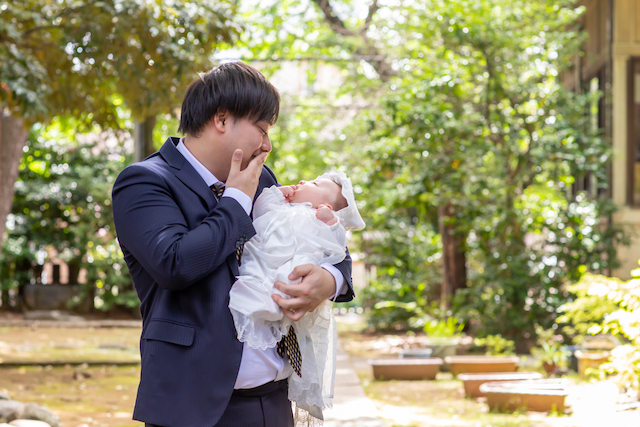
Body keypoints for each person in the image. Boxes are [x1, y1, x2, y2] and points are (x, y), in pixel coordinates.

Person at [111, 61, 356, 427]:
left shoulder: (262, 179)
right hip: (193, 409)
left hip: (273, 401)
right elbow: (174, 263)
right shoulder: (144, 182)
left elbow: (317, 239)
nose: (268, 145)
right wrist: (237, 201)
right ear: (221, 120)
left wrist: (328, 280)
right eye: (261, 129)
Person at [228, 173, 365, 422]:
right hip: (263, 255)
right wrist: (273, 196)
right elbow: (260, 209)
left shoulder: (322, 219)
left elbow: (338, 251)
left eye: (313, 184)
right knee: (257, 275)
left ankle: (274, 302)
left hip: (294, 262)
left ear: (329, 205)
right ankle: (256, 297)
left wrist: (331, 276)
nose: (303, 183)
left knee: (290, 276)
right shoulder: (283, 204)